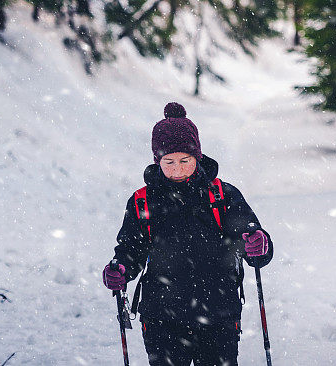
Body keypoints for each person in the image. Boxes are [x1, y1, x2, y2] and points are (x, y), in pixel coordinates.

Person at [103, 101, 273, 366]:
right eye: (168, 162)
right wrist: (120, 268)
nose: (178, 169)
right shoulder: (142, 202)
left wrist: (258, 245)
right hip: (162, 318)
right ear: (157, 161)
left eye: (185, 160)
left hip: (218, 315)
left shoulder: (222, 195)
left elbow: (251, 240)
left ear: (198, 157)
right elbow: (131, 249)